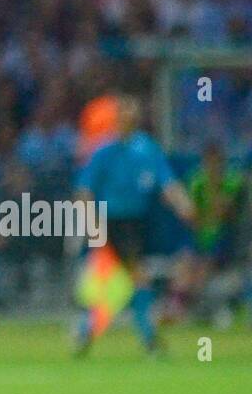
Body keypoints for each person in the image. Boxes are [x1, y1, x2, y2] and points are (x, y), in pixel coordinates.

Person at [73, 95, 196, 354]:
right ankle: (148, 338)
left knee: (118, 281)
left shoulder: (147, 148)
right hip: (108, 221)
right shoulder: (104, 151)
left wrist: (183, 204)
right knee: (132, 278)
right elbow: (84, 191)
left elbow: (167, 182)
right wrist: (91, 224)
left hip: (134, 223)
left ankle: (86, 333)